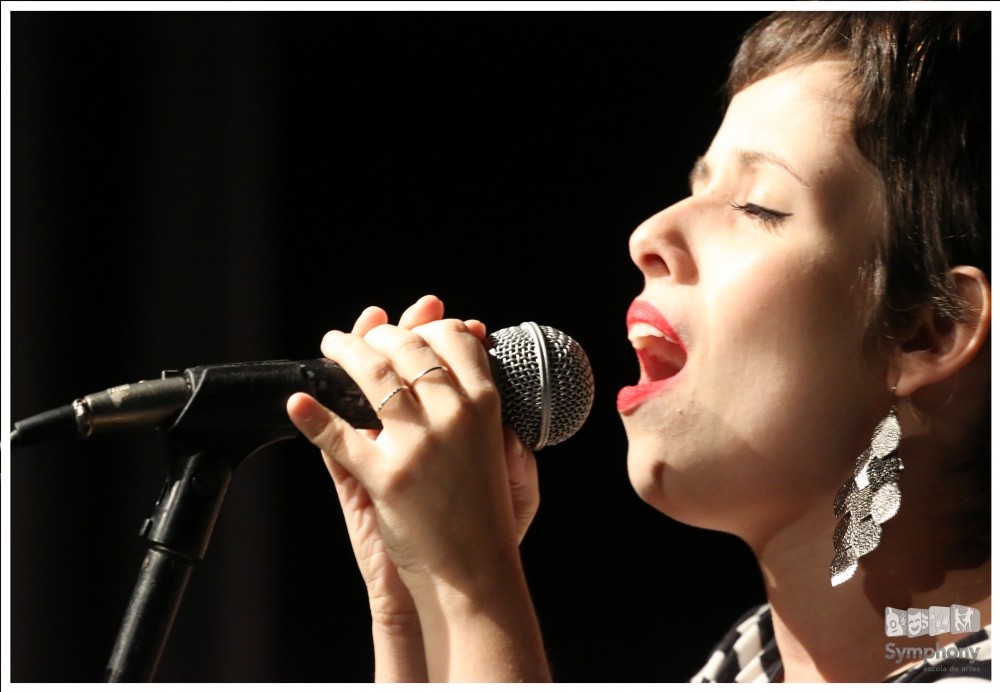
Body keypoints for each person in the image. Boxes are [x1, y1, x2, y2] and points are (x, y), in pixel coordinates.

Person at [285, 11, 991, 683]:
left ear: (929, 328)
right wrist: (414, 606)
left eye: (758, 206)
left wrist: (474, 588)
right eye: (694, 189)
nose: (647, 234)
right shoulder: (748, 663)